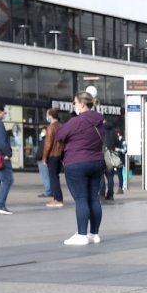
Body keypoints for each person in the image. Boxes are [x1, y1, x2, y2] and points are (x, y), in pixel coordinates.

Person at [56, 91, 105, 246]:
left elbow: (59, 136)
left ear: (82, 104)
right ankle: (94, 234)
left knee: (81, 199)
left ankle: (82, 234)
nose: (74, 105)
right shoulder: (100, 121)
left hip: (77, 162)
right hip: (97, 162)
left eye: (75, 103)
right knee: (93, 198)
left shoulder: (75, 121)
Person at [42, 108, 64, 208]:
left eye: (47, 115)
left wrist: (44, 158)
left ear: (50, 116)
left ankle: (58, 199)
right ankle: (57, 197)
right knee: (56, 177)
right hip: (60, 155)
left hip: (53, 155)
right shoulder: (61, 126)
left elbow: (48, 144)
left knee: (53, 178)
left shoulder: (50, 128)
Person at [99, 119, 118, 201]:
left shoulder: (100, 129)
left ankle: (102, 194)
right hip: (111, 153)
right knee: (110, 176)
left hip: (102, 153)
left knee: (101, 175)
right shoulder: (113, 130)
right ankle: (110, 195)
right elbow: (117, 142)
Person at [35, 127, 52, 199]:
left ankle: (47, 191)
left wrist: (39, 157)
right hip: (42, 159)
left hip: (43, 160)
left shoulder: (46, 140)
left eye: (43, 131)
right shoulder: (44, 140)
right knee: (45, 176)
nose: (42, 133)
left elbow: (42, 151)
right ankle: (48, 190)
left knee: (45, 176)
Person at [113, 129, 127, 194]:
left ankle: (120, 188)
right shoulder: (117, 140)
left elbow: (125, 150)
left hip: (119, 160)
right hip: (117, 159)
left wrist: (117, 149)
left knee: (119, 174)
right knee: (119, 174)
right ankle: (120, 188)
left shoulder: (122, 140)